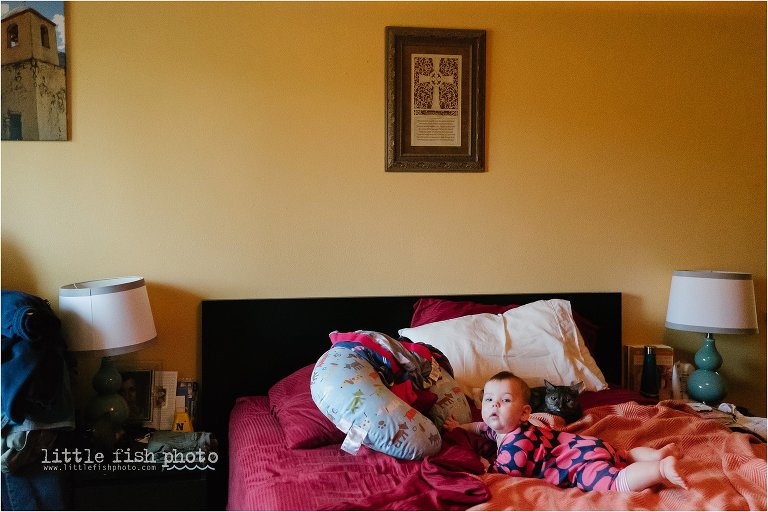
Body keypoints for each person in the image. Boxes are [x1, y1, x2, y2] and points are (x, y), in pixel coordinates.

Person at [444, 371, 688, 492]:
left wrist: (480, 462)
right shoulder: (503, 427)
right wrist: (459, 428)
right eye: (488, 400)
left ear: (525, 413)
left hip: (577, 465)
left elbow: (499, 473)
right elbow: (480, 427)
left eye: (505, 400)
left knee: (614, 482)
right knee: (622, 454)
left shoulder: (516, 445)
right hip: (589, 445)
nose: (494, 405)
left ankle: (659, 469)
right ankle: (654, 454)